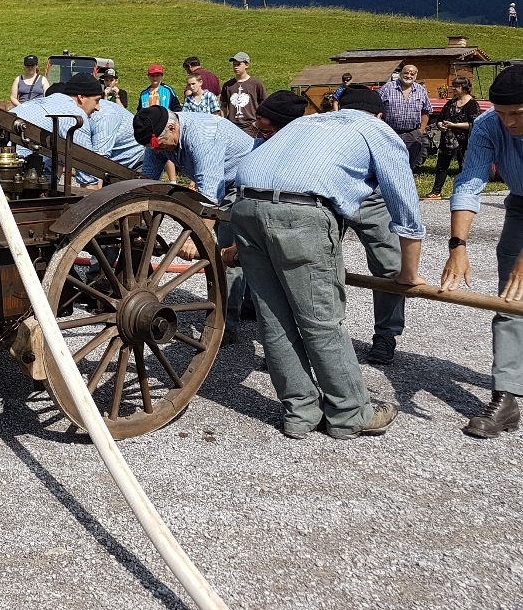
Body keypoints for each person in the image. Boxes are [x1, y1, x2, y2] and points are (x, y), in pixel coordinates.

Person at [227, 83, 423, 439]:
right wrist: (407, 273)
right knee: (320, 319)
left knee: (273, 319)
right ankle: (350, 413)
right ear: (379, 115)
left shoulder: (307, 123)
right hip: (299, 212)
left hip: (243, 205)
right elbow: (404, 204)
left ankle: (300, 413)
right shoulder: (377, 129)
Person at [254, 87, 409, 366]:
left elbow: (399, 189)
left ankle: (386, 334)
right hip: (327, 195)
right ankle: (301, 341)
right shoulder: (321, 126)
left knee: (388, 267)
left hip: (370, 198)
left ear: (378, 117)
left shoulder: (378, 132)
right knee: (307, 265)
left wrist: (408, 258)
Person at [441, 65, 523, 439]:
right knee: (511, 297)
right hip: (520, 204)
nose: (508, 122)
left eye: (517, 114)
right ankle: (506, 397)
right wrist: (457, 245)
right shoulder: (489, 125)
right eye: (503, 112)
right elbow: (470, 181)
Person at [133, 106, 254, 341]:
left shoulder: (203, 136)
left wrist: (193, 236)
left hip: (242, 182)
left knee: (228, 253)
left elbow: (209, 195)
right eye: (153, 148)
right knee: (241, 245)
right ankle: (247, 305)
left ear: (172, 126)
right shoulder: (159, 137)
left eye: (160, 144)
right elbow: (147, 181)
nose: (158, 151)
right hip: (220, 182)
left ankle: (226, 326)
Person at [0, 73, 106, 188]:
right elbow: (87, 168)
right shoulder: (74, 113)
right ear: (81, 98)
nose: (98, 107)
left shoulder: (47, 102)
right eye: (96, 100)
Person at [425, 76, 481, 199]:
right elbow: (440, 118)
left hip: (463, 142)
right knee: (441, 167)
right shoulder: (451, 103)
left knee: (464, 167)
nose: (453, 88)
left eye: (456, 86)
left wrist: (455, 125)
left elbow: (474, 123)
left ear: (464, 88)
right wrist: (440, 125)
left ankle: (464, 192)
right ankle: (436, 191)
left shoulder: (472, 104)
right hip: (447, 141)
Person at [378, 63, 433, 170]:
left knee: (409, 165)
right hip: (391, 132)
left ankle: (406, 184)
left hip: (412, 134)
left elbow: (426, 112)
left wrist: (420, 131)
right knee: (390, 164)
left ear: (416, 76)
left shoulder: (421, 90)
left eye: (412, 74)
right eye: (406, 73)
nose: (409, 76)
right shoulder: (388, 87)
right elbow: (377, 107)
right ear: (401, 74)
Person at [87, 96, 143, 170]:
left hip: (136, 161)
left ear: (80, 97)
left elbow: (99, 160)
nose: (97, 107)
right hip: (114, 164)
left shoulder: (104, 117)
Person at [220, 51, 266, 137]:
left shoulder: (255, 83)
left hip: (250, 126)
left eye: (238, 64)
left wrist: (258, 122)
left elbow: (264, 104)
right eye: (234, 65)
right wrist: (224, 121)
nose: (236, 67)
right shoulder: (228, 85)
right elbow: (223, 105)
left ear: (246, 65)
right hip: (233, 126)